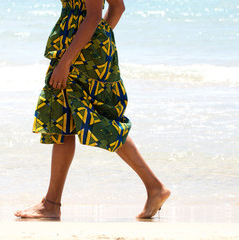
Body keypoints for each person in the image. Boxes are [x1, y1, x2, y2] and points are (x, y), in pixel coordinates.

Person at [15, 0, 170, 219]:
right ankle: (51, 204)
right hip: (81, 48)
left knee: (95, 120)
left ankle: (155, 187)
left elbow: (94, 15)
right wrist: (97, 42)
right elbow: (117, 7)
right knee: (64, 120)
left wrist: (68, 60)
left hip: (77, 53)